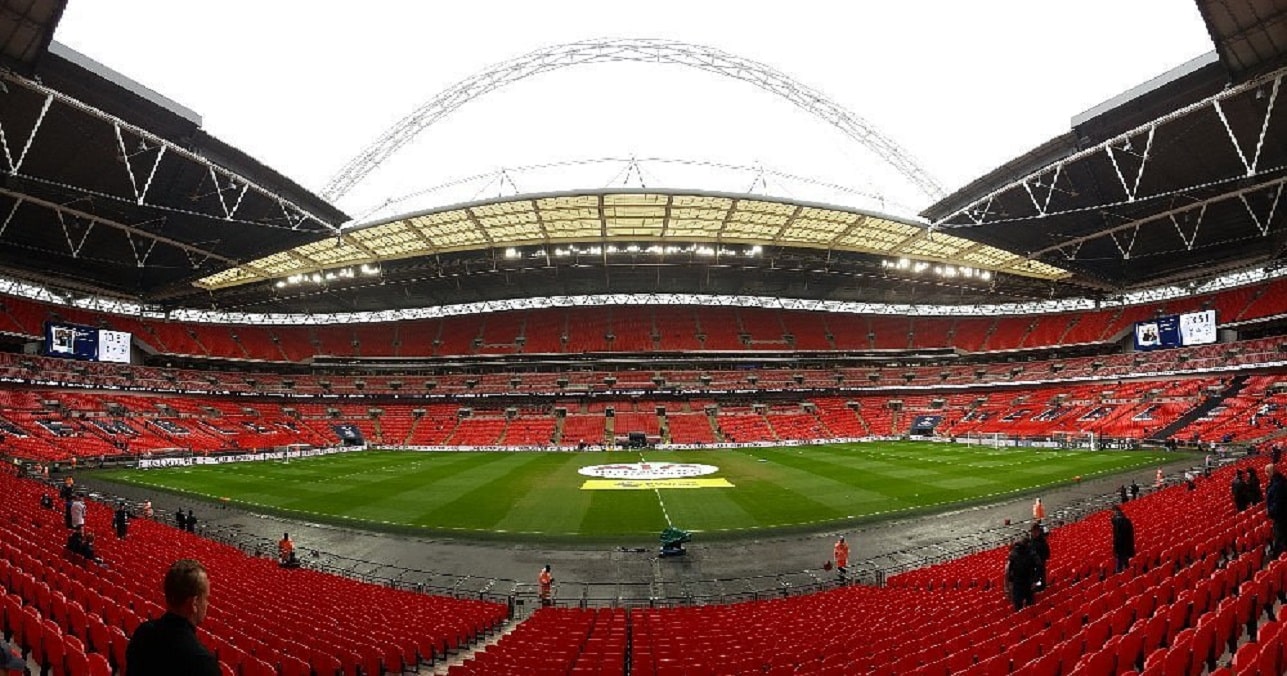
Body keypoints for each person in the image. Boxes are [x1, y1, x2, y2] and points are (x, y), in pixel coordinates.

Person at [126, 559, 218, 676]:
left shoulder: (142, 633)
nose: (207, 604)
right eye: (206, 598)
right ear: (194, 603)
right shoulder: (203, 663)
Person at [1004, 534, 1037, 610]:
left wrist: (1006, 588)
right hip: (1027, 583)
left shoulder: (1013, 557)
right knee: (1029, 603)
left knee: (1018, 603)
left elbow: (1007, 572)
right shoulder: (1030, 555)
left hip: (1018, 584)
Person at [1267, 464, 1287, 559]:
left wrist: (1271, 512)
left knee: (1280, 538)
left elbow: (1277, 502)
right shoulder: (1283, 481)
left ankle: (1277, 559)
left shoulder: (1276, 485)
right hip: (1283, 514)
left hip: (1280, 516)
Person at [1111, 505, 1135, 574]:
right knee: (1126, 562)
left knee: (1120, 563)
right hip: (1127, 545)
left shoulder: (1118, 521)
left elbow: (1117, 535)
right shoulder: (1127, 520)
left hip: (1121, 546)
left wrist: (1115, 546)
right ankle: (1127, 574)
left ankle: (1120, 574)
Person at [1028, 523, 1050, 591]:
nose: (1032, 533)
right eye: (1032, 531)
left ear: (1038, 531)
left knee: (1039, 587)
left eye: (1034, 531)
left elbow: (1047, 555)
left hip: (1039, 568)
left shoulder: (1042, 543)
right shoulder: (1031, 542)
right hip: (1033, 568)